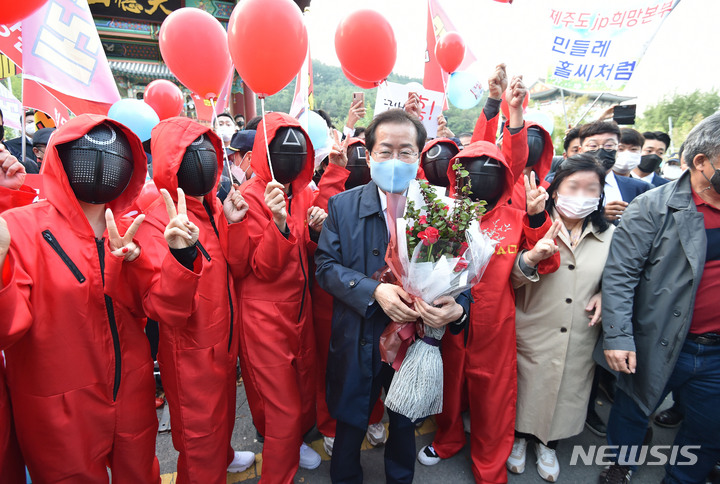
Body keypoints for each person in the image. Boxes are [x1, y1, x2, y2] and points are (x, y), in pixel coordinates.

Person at [0, 114, 176, 482]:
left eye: (114, 156)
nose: (99, 165)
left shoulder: (136, 224)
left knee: (141, 474)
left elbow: (166, 304)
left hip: (131, 386)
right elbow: (8, 327)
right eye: (84, 154)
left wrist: (183, 256)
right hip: (56, 403)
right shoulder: (20, 227)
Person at [418, 73, 562, 484]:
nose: (479, 177)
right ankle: (447, 440)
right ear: (455, 175)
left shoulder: (519, 216)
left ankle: (489, 466)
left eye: (490, 170)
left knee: (492, 399)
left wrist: (536, 218)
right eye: (469, 170)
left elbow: (545, 264)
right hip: (449, 321)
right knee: (449, 388)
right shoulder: (443, 214)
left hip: (495, 326)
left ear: (504, 176)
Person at [315, 108, 471, 483]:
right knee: (351, 422)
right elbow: (325, 268)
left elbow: (463, 278)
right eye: (385, 151)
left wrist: (456, 310)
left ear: (419, 157)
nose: (395, 160)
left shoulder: (441, 210)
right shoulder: (342, 206)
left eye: (406, 152)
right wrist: (374, 291)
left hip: (413, 345)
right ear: (368, 156)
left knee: (405, 424)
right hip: (358, 339)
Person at [108, 116, 256, 482]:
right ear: (170, 162)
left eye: (209, 152)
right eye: (192, 155)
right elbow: (163, 307)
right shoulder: (156, 219)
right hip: (190, 350)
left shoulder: (212, 205)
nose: (203, 162)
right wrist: (179, 256)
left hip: (224, 340)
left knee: (221, 415)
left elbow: (233, 268)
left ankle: (224, 453)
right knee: (198, 438)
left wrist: (234, 224)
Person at [597, 112, 720, 484]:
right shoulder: (654, 206)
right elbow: (620, 274)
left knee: (708, 424)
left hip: (716, 353)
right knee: (633, 409)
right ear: (702, 162)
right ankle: (621, 464)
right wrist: (618, 336)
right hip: (658, 337)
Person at [509, 154, 614, 482]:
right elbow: (508, 278)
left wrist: (605, 294)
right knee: (526, 389)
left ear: (600, 196)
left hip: (580, 334)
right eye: (573, 187)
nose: (582, 196)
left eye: (591, 189)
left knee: (567, 391)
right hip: (532, 328)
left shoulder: (611, 235)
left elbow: (623, 278)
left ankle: (548, 444)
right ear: (555, 190)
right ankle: (518, 439)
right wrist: (529, 258)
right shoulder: (529, 223)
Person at [236, 112, 328, 482]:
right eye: (281, 151)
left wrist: (317, 231)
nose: (292, 159)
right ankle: (278, 472)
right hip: (264, 317)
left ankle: (293, 444)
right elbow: (262, 267)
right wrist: (277, 223)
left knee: (303, 386)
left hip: (299, 309)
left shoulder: (304, 192)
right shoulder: (249, 197)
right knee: (282, 407)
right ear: (264, 152)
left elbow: (305, 249)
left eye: (299, 150)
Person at [577, 121, 651, 225]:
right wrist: (600, 216)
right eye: (593, 146)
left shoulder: (640, 188)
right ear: (580, 150)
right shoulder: (562, 184)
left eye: (609, 146)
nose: (601, 150)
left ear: (617, 149)